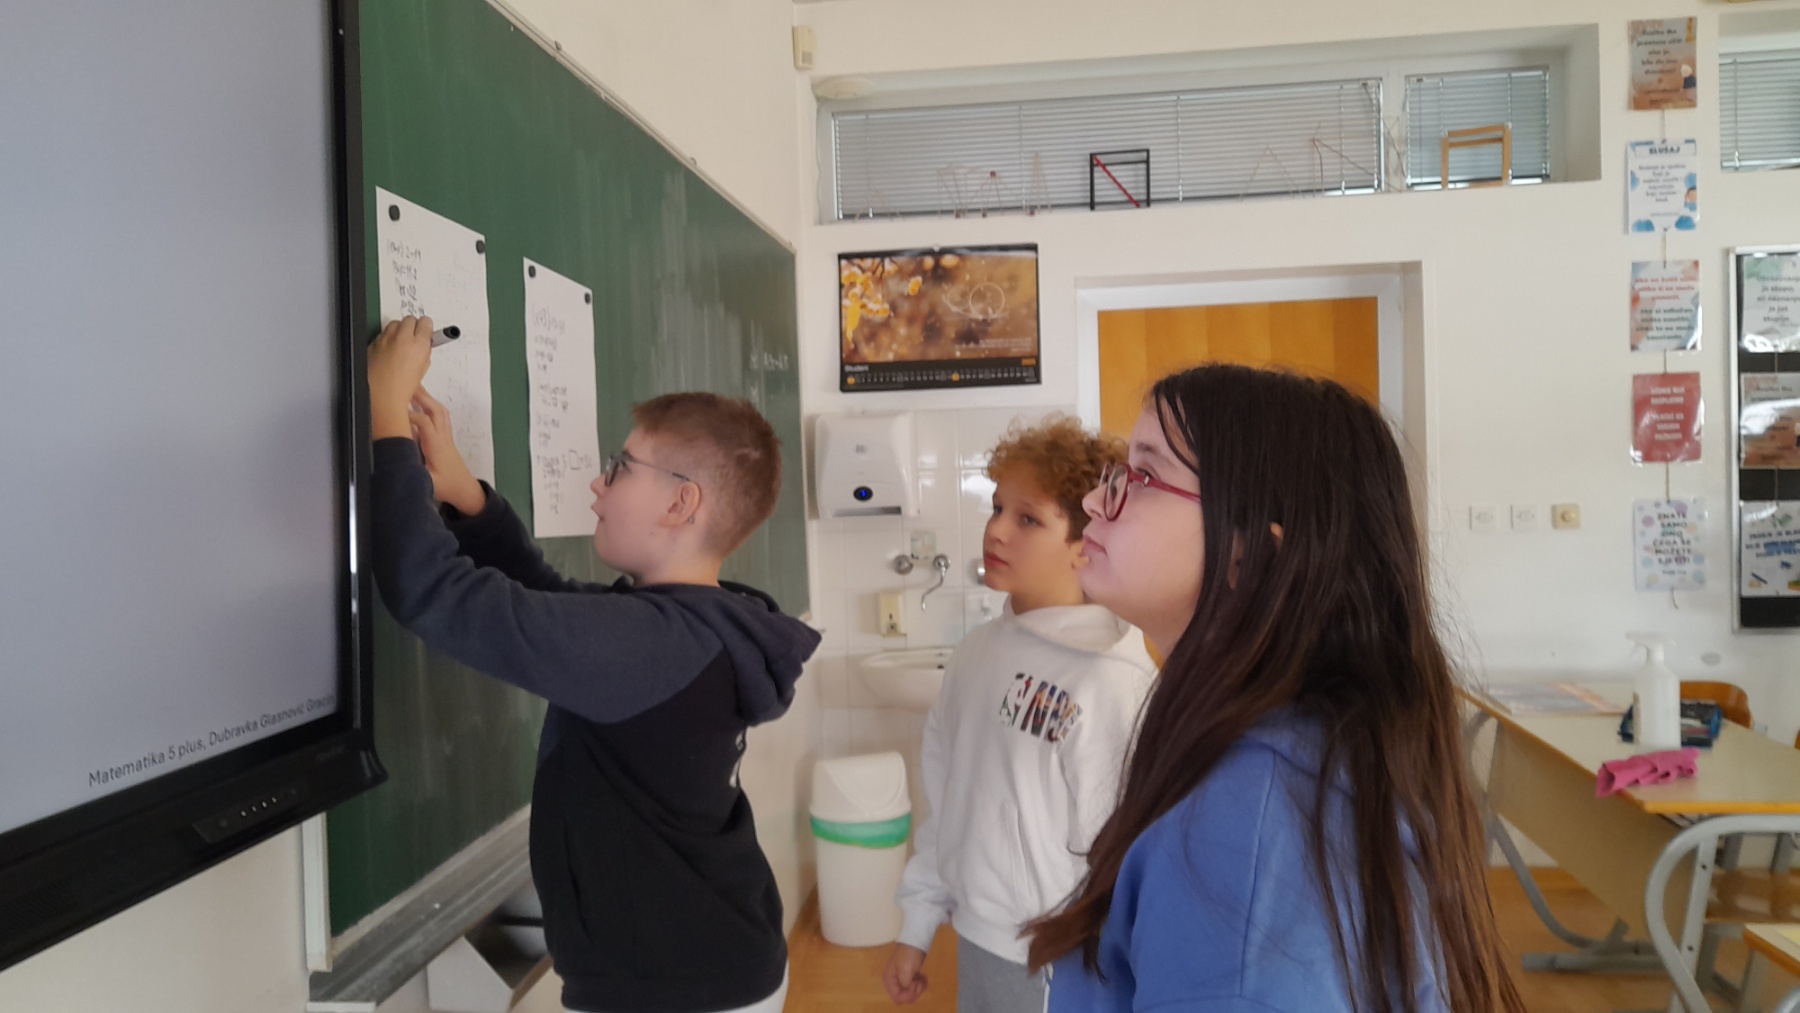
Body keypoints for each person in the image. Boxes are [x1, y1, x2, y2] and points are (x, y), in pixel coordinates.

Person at [1028, 365, 1525, 1013]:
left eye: (1144, 476)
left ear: (1251, 556)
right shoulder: (1275, 751)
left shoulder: (1246, 838)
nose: (1096, 501)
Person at [366, 315, 820, 1013]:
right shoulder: (697, 623)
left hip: (678, 993)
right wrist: (467, 497)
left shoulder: (654, 644)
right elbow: (547, 597)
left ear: (681, 501)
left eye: (620, 469)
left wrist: (384, 418)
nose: (597, 485)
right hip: (710, 965)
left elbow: (431, 592)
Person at [885, 416, 1156, 1013]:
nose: (997, 530)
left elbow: (1124, 851)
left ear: (1085, 545)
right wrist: (918, 925)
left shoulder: (1109, 677)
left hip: (1061, 958)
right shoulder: (975, 654)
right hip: (978, 937)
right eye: (997, 508)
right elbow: (946, 799)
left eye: (1028, 519)